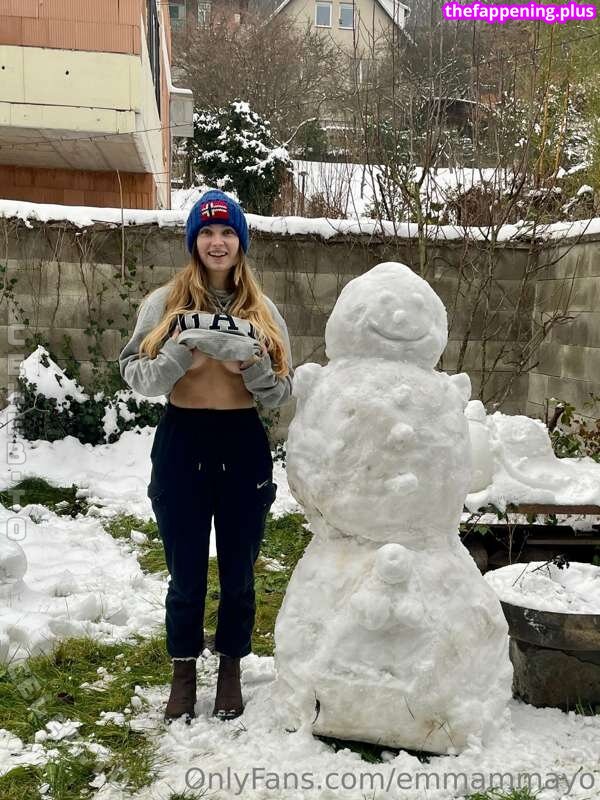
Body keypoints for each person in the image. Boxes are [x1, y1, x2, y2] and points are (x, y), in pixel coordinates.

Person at [118, 189, 293, 723]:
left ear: (241, 242)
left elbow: (283, 393)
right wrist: (178, 355)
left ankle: (231, 669)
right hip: (183, 442)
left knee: (239, 573)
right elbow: (135, 373)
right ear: (194, 241)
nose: (218, 242)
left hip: (242, 444)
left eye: (228, 232)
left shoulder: (263, 311)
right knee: (186, 574)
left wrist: (254, 370)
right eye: (208, 232)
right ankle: (183, 671)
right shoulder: (164, 303)